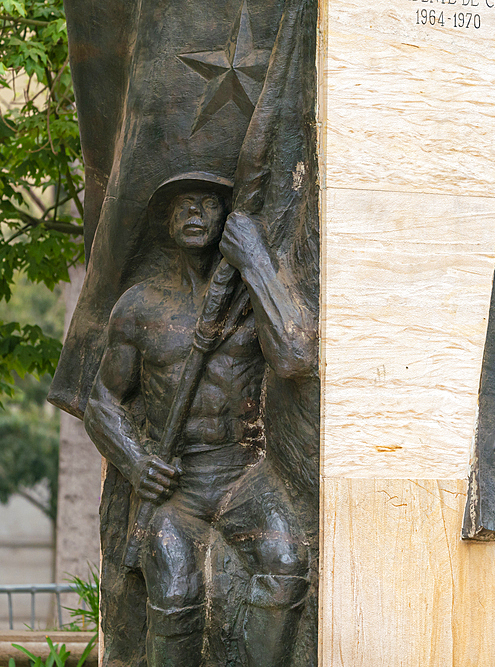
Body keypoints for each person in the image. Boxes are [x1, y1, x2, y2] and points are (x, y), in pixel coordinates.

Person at [84, 172, 316, 667]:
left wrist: (254, 262)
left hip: (243, 478)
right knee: (174, 587)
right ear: (167, 223)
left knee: (287, 562)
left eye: (207, 204)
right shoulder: (140, 307)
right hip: (177, 489)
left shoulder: (249, 300)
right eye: (182, 205)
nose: (193, 213)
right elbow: (102, 400)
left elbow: (296, 356)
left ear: (226, 218)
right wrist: (135, 461)